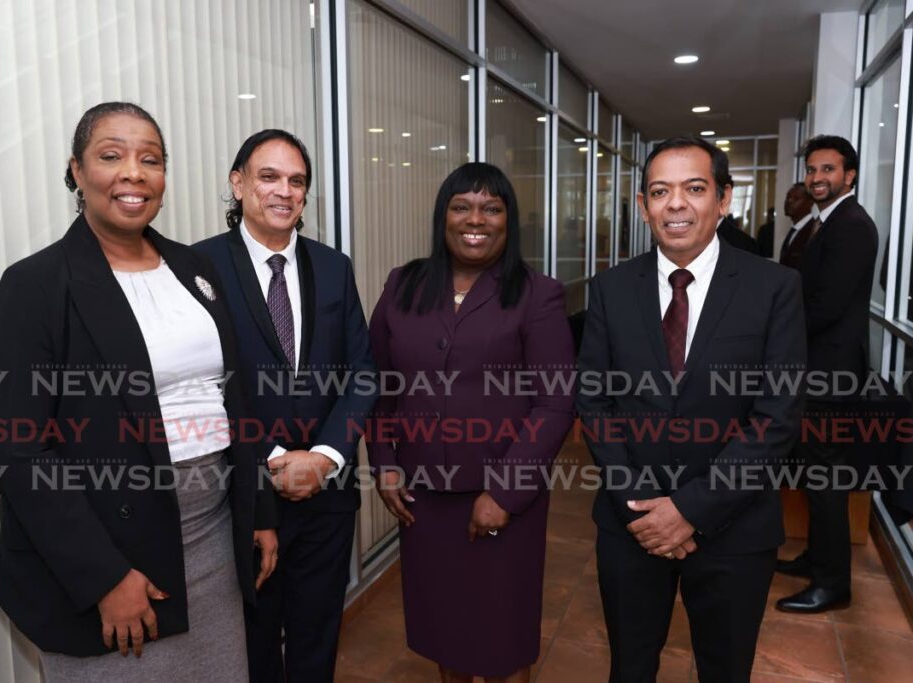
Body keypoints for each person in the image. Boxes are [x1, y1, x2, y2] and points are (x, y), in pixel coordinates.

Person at [0, 102, 277, 681]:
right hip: (111, 557)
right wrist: (103, 577)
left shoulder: (195, 270)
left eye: (151, 159)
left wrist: (258, 509)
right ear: (76, 171)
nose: (134, 173)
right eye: (111, 156)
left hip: (214, 538)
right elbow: (17, 450)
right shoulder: (36, 285)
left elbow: (234, 400)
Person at [576, 136, 805, 682]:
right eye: (660, 191)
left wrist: (690, 510)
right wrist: (640, 504)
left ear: (724, 200)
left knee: (725, 671)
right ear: (642, 205)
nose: (676, 204)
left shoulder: (774, 287)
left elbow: (777, 417)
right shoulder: (610, 288)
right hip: (632, 526)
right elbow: (594, 398)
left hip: (735, 528)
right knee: (630, 667)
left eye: (694, 189)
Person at [367, 162, 576, 683]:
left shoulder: (538, 294)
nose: (474, 219)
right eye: (461, 206)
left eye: (491, 207)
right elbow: (377, 385)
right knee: (447, 632)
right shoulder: (403, 284)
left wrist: (504, 494)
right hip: (424, 500)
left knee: (504, 643)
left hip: (506, 497)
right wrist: (385, 465)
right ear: (443, 217)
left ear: (509, 220)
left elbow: (554, 405)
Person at [193, 129, 377, 682]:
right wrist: (272, 457)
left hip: (328, 493)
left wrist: (323, 456)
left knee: (317, 636)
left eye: (297, 181)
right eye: (269, 176)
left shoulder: (333, 267)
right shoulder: (196, 269)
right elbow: (204, 385)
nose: (284, 191)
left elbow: (362, 374)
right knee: (251, 643)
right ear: (238, 183)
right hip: (245, 492)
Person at [776, 135, 878, 613]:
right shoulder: (826, 222)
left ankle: (832, 583)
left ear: (849, 176)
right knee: (815, 476)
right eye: (812, 170)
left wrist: (774, 336)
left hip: (829, 375)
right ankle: (817, 558)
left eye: (828, 170)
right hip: (818, 370)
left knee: (825, 480)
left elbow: (826, 306)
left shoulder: (851, 225)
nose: (817, 178)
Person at [779, 182, 815, 269]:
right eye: (788, 197)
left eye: (796, 198)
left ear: (810, 203)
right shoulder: (794, 230)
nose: (789, 201)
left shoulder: (814, 231)